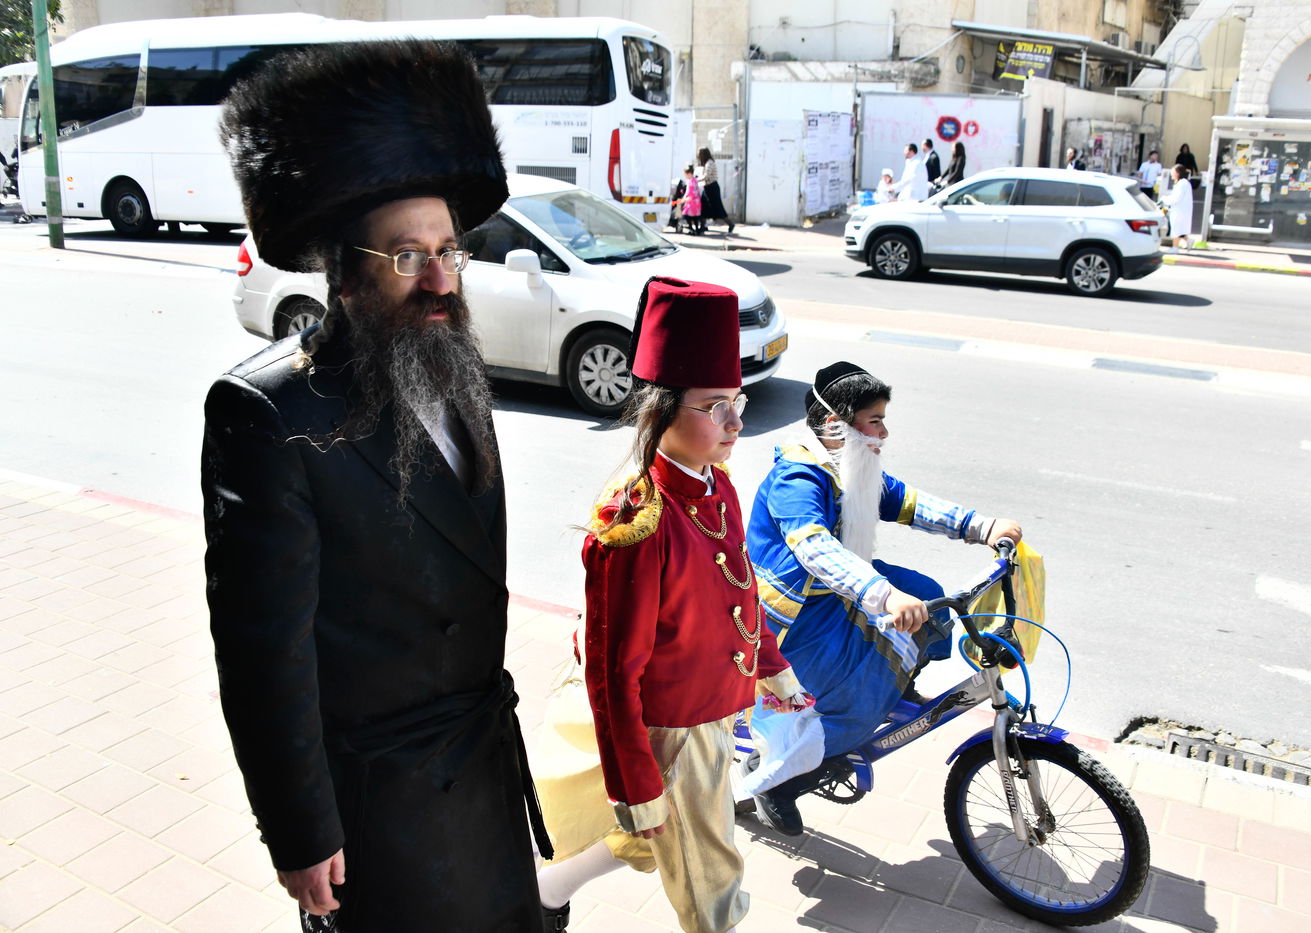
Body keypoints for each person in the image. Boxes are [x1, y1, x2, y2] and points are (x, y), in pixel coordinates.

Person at [204, 39, 548, 932]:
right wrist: (299, 829)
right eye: (407, 256)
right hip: (381, 803)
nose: (440, 278)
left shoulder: (452, 360)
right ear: (347, 272)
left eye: (450, 250)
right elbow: (262, 652)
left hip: (480, 765)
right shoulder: (267, 412)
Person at [533, 277, 810, 933]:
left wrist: (774, 671)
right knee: (712, 880)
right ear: (660, 410)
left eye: (738, 402)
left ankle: (540, 894)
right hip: (670, 730)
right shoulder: (637, 519)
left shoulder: (717, 486)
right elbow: (611, 669)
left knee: (655, 836)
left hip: (711, 710)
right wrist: (636, 782)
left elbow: (738, 591)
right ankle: (541, 892)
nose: (737, 423)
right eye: (716, 406)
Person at [740, 362, 1022, 836]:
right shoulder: (799, 477)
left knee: (931, 598)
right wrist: (883, 594)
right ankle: (781, 782)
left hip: (843, 589)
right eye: (875, 421)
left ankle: (899, 678)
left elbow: (906, 501)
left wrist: (982, 526)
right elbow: (812, 546)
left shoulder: (850, 466)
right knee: (855, 701)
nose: (884, 431)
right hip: (794, 614)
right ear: (836, 426)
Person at [697, 147, 734, 234]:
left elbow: (707, 176)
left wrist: (696, 180)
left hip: (712, 188)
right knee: (704, 207)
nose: (698, 156)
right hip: (708, 188)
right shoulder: (707, 163)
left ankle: (730, 224)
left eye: (699, 154)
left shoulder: (709, 163)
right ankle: (702, 226)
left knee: (718, 208)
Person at [1162, 163, 1195, 251]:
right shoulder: (1184, 183)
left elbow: (1176, 198)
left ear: (1177, 173)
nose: (1172, 174)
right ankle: (1188, 241)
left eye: (1173, 172)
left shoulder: (1182, 184)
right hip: (1181, 210)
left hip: (1179, 210)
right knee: (1180, 229)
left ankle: (1175, 248)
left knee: (1176, 229)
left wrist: (1164, 199)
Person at [678, 164, 704, 235]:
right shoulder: (695, 180)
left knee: (686, 215)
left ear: (689, 173)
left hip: (691, 202)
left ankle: (691, 228)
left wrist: (684, 200)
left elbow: (690, 193)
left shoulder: (690, 182)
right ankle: (696, 229)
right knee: (695, 217)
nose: (685, 176)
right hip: (696, 201)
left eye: (685, 174)